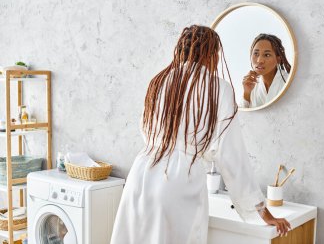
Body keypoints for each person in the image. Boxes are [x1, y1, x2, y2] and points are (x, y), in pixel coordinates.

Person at [110, 25, 291, 244]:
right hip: (178, 184)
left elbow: (146, 129)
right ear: (210, 54)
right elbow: (232, 157)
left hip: (141, 176)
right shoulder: (218, 89)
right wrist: (262, 211)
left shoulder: (159, 81)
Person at [241, 33, 292, 108]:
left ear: (278, 59)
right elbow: (243, 117)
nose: (259, 60)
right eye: (256, 53)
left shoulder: (288, 81)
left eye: (267, 55)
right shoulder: (251, 85)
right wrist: (246, 94)